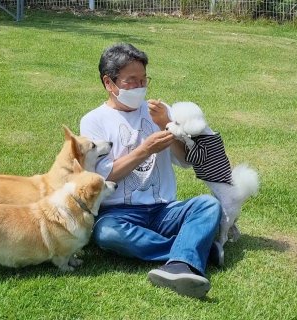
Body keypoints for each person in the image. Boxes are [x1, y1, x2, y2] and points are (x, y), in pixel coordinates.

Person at [79, 43, 223, 299]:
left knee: (208, 205)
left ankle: (180, 257)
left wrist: (168, 125)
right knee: (106, 234)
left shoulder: (158, 110)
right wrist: (144, 150)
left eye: (144, 80)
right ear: (109, 83)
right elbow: (102, 178)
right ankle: (193, 250)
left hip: (163, 209)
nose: (139, 87)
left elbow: (185, 161)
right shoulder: (93, 121)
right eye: (131, 81)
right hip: (118, 212)